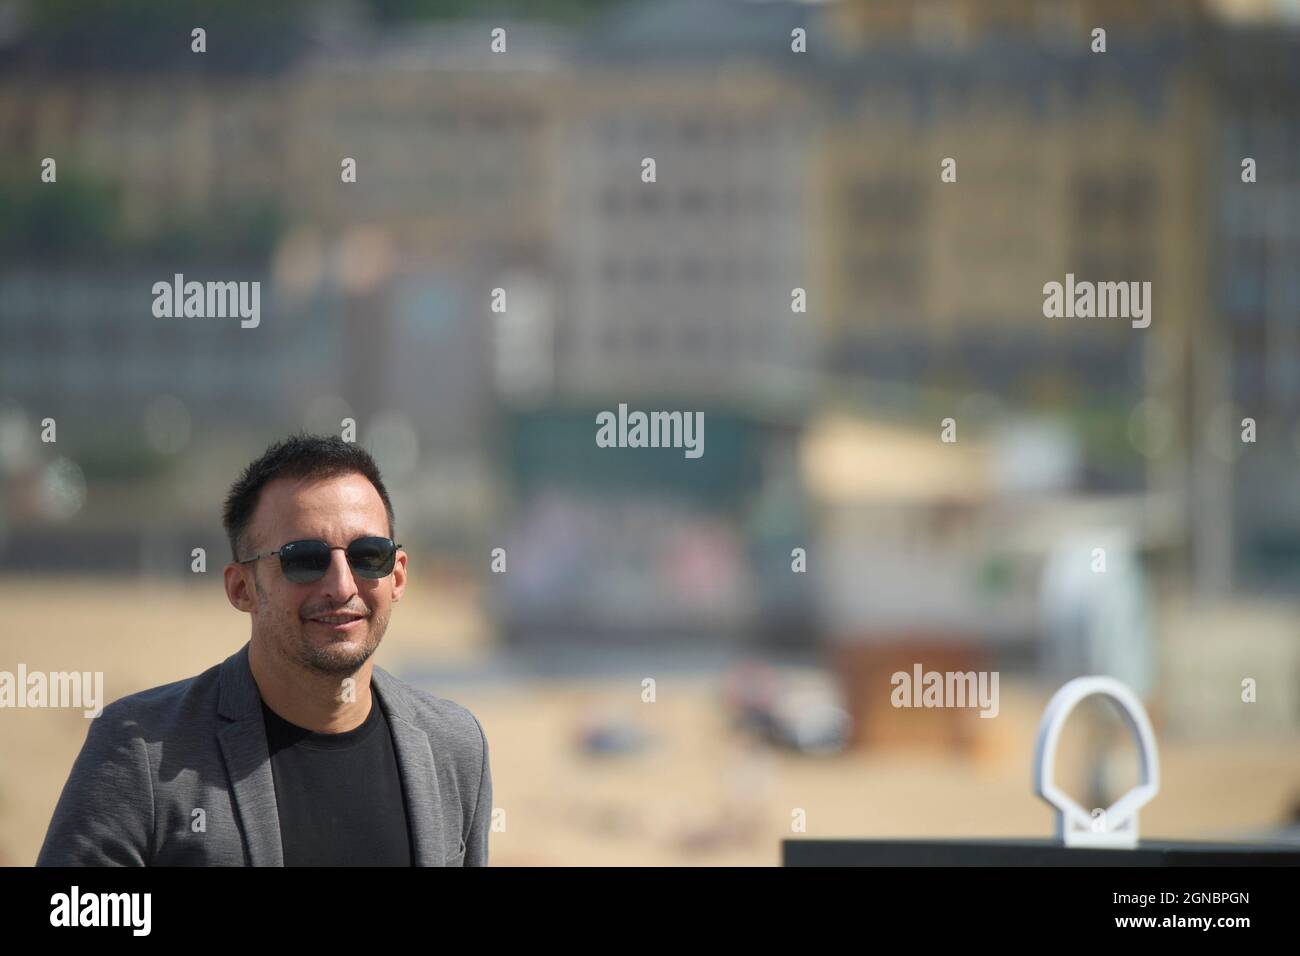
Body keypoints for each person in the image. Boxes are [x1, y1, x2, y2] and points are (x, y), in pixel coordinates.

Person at [36, 433, 491, 866]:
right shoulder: (140, 750)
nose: (341, 585)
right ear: (241, 588)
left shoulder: (453, 747)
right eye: (304, 559)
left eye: (368, 554)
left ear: (397, 576)